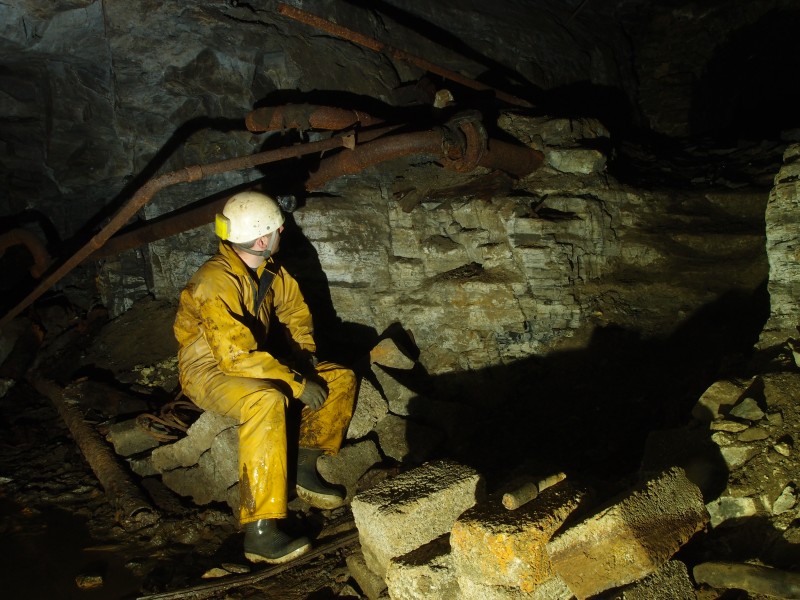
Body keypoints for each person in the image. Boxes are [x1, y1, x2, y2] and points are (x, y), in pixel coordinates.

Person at [173, 191, 356, 565]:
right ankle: (260, 530)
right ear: (260, 239)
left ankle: (304, 466)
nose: (282, 230)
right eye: (276, 227)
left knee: (340, 378)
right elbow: (235, 357)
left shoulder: (269, 269)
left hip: (252, 361)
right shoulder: (214, 282)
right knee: (267, 399)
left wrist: (304, 361)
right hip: (208, 371)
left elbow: (295, 312)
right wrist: (298, 384)